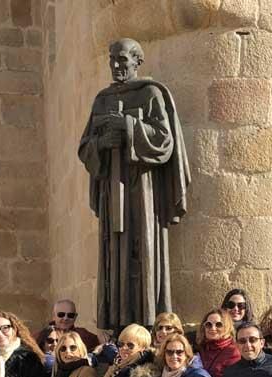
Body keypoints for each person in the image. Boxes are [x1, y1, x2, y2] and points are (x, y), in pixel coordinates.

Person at [78, 38, 191, 329]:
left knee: (145, 249)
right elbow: (84, 146)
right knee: (114, 253)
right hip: (111, 192)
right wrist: (102, 142)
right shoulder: (101, 99)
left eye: (123, 60)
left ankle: (152, 324)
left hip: (143, 190)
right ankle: (117, 324)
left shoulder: (151, 93)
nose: (116, 65)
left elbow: (165, 140)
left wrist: (128, 127)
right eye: (112, 59)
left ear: (137, 61)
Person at [35, 300, 101, 352]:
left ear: (75, 317)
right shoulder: (41, 336)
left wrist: (102, 335)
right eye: (61, 314)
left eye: (70, 315)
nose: (66, 318)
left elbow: (102, 344)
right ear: (54, 316)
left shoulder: (83, 335)